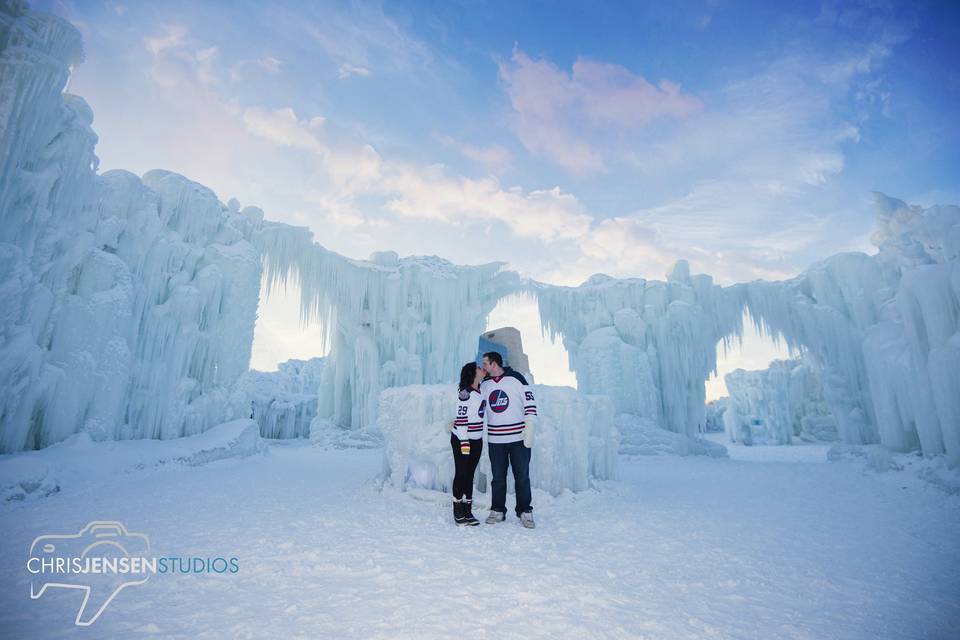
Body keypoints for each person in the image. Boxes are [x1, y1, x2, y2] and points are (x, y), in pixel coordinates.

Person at [480, 351, 537, 529]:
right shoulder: (485, 384)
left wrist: (530, 426)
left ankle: (525, 511)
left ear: (494, 364)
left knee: (522, 476)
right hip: (495, 440)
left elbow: (530, 403)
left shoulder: (517, 378)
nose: (483, 367)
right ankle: (498, 510)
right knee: (498, 478)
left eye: (486, 364)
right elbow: (477, 407)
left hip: (518, 438)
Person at [450, 361, 486, 526]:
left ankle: (467, 510)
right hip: (462, 439)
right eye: (479, 368)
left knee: (470, 474)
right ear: (472, 373)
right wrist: (465, 442)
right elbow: (462, 418)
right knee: (461, 473)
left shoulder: (480, 390)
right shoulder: (465, 393)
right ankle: (458, 511)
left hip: (476, 439)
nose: (482, 369)